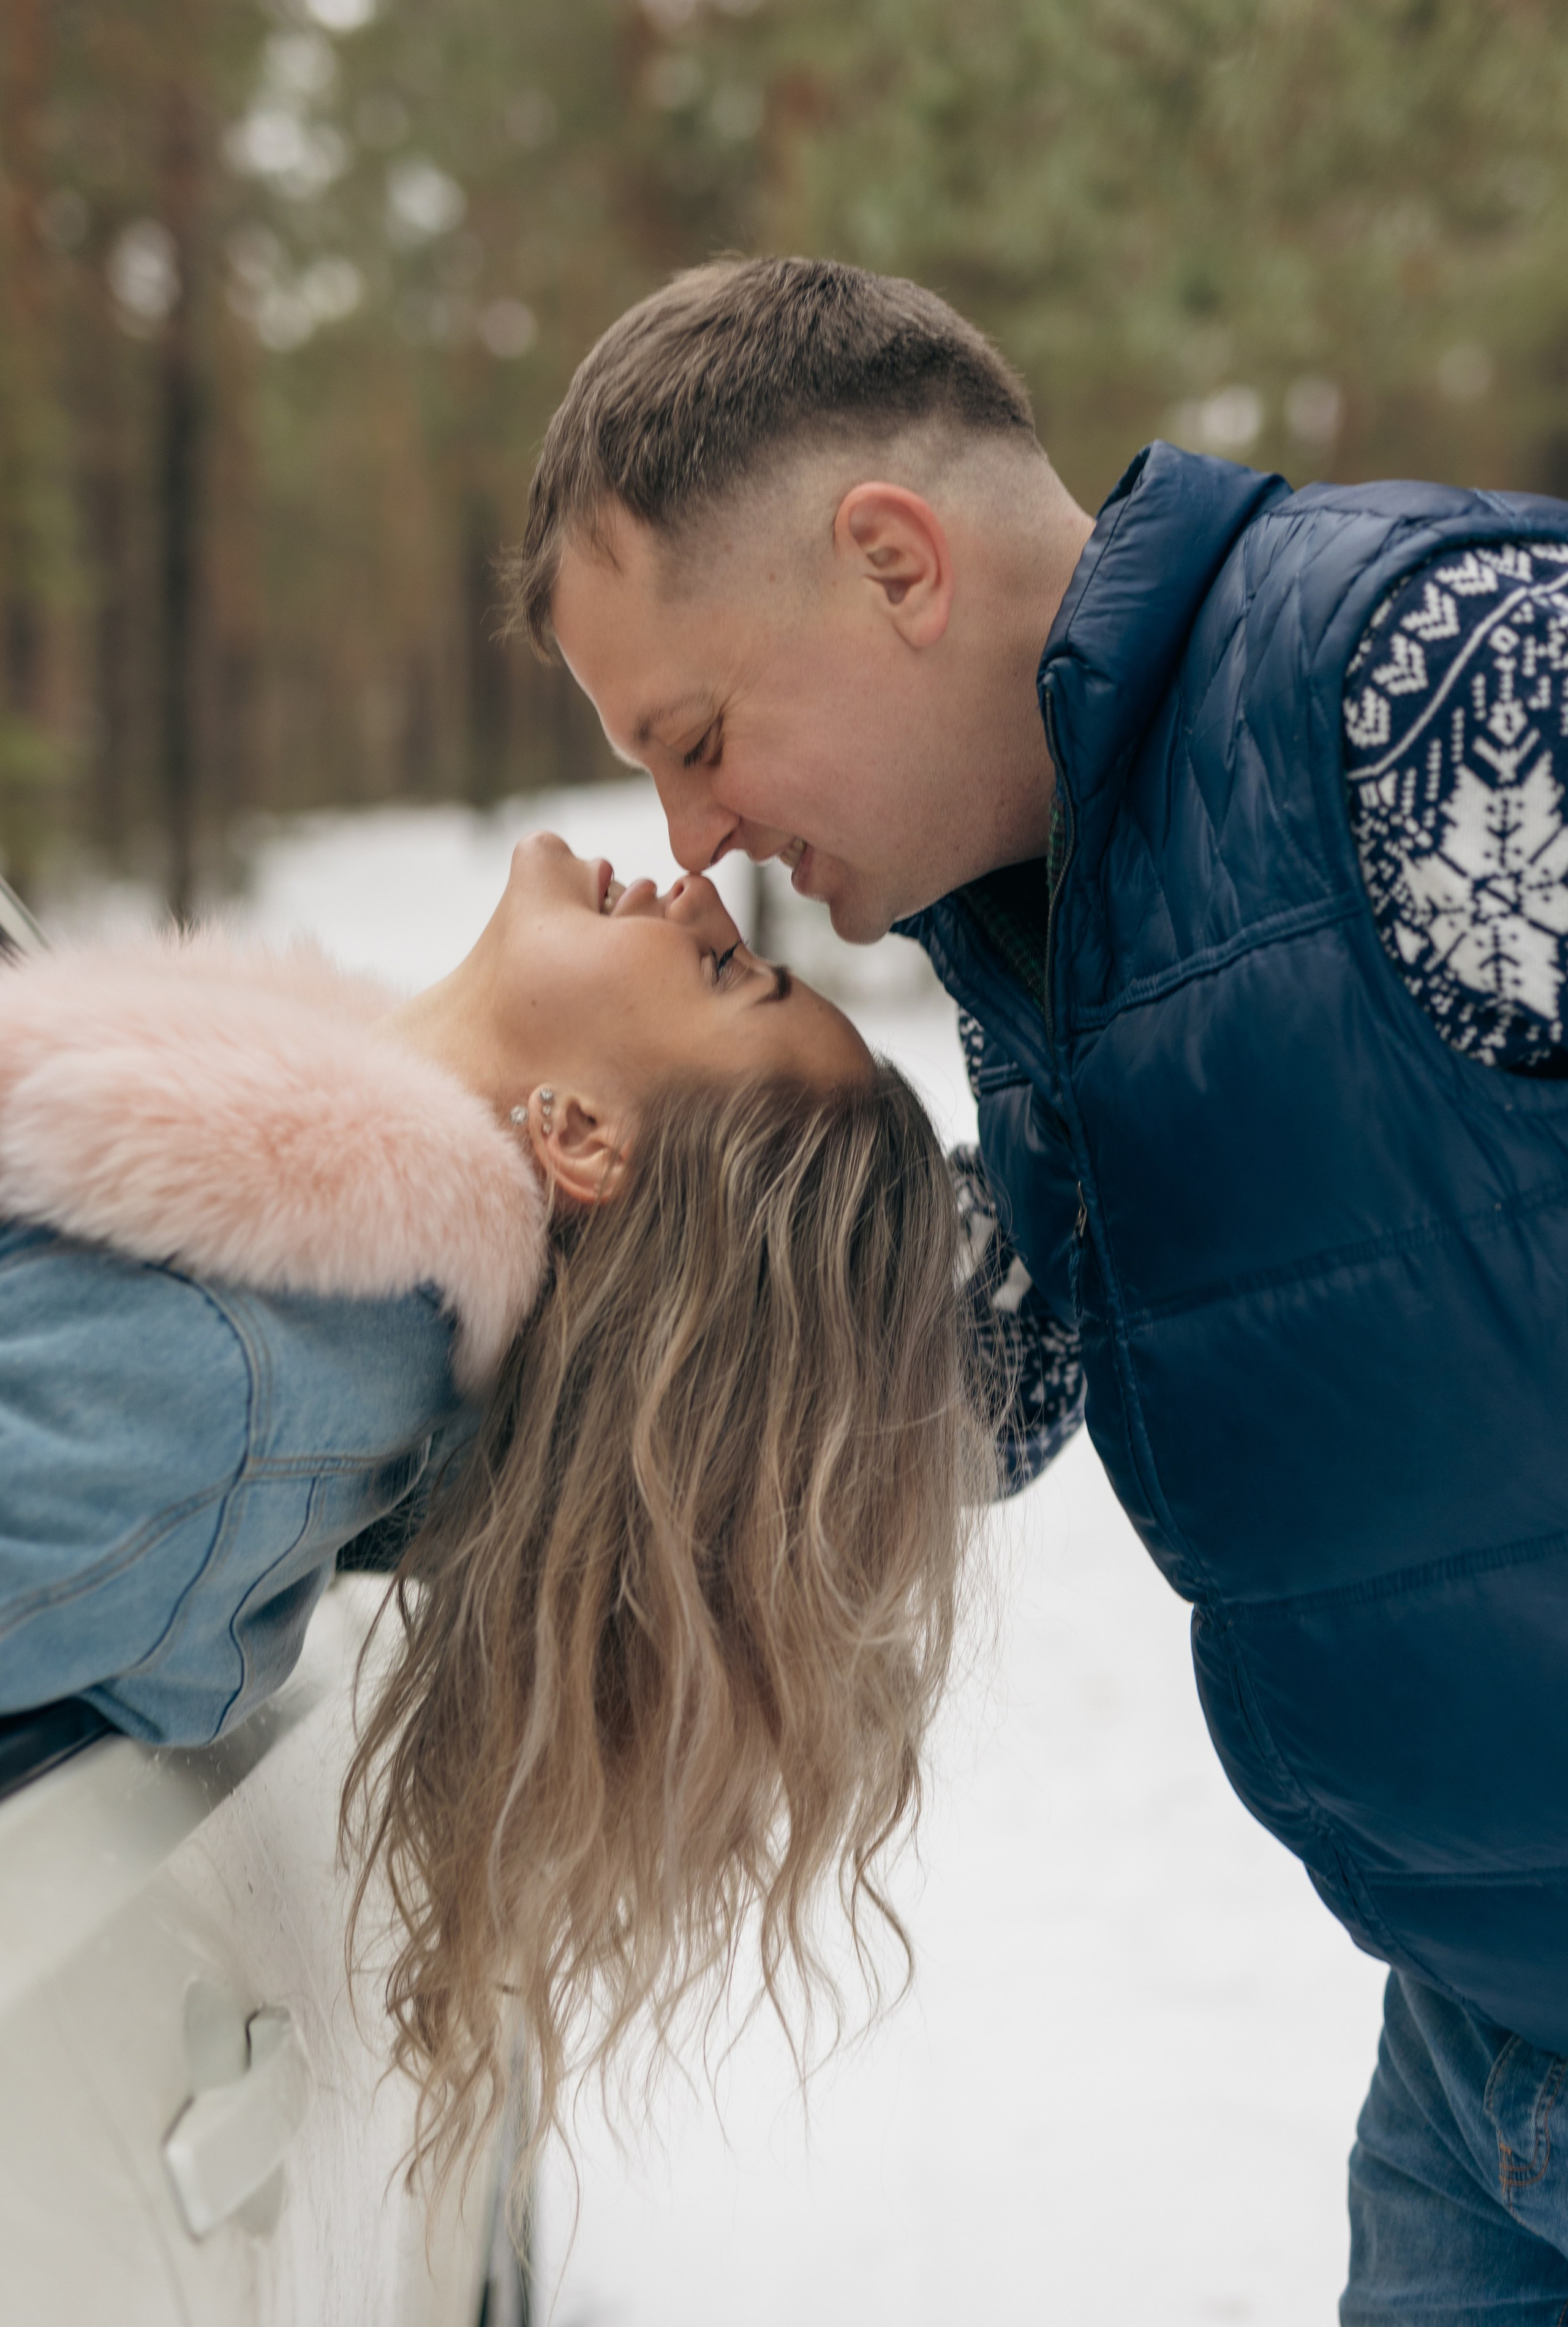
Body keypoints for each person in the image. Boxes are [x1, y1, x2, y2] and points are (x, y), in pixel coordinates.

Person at [511, 254, 1568, 2320]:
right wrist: (490, 1251)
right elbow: (993, 1382)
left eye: (699, 736)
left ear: (896, 562)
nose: (694, 838)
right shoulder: (1038, 910)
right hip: (1475, 2049)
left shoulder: (1433, 678)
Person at [0, 829, 995, 2189]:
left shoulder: (229, 1382)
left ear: (580, 1134)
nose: (698, 885)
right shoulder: (240, 1257)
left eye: (716, 969)